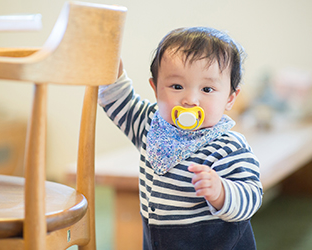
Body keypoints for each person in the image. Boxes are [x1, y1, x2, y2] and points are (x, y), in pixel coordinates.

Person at [98, 27, 263, 249]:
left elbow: (251, 196)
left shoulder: (229, 146)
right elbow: (119, 100)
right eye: (177, 86)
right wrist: (109, 66)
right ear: (156, 89)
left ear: (230, 98)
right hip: (161, 238)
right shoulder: (149, 123)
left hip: (214, 241)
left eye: (207, 89)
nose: (190, 99)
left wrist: (221, 191)